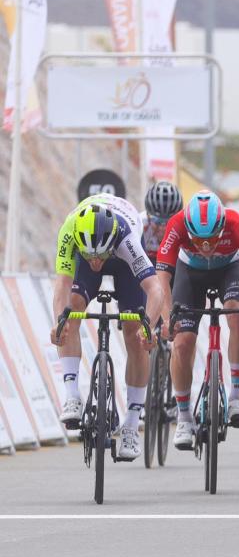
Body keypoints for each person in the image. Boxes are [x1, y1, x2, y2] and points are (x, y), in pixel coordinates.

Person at [52, 194, 165, 462]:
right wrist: (59, 321)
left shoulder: (126, 235)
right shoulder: (70, 230)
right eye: (90, 256)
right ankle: (72, 396)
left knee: (135, 334)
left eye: (98, 256)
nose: (95, 263)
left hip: (122, 262)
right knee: (70, 313)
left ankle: (131, 426)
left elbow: (155, 289)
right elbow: (62, 285)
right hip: (90, 246)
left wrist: (147, 325)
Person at [156, 190, 239, 451]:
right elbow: (161, 278)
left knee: (237, 312)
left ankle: (237, 397)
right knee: (183, 343)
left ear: (222, 226)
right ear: (188, 228)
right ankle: (184, 418)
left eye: (211, 239)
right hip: (190, 274)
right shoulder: (177, 224)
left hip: (230, 269)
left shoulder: (237, 223)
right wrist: (166, 320)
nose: (206, 247)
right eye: (198, 239)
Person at [141, 180, 184, 264]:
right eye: (157, 221)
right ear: (148, 216)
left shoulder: (183, 230)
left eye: (169, 222)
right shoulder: (140, 226)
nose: (162, 228)